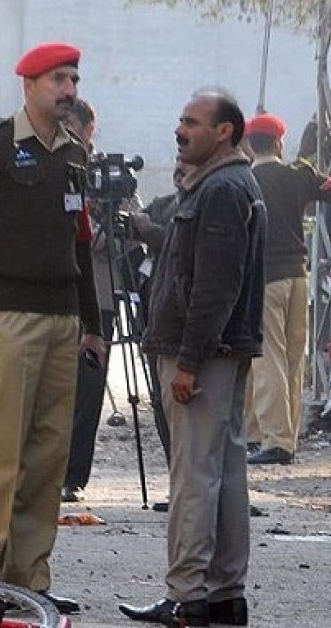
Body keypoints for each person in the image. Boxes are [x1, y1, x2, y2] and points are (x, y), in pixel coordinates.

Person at [0, 42, 105, 615]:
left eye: (74, 79)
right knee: (3, 448)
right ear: (30, 84)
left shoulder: (74, 154)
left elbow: (80, 243)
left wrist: (93, 323)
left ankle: (28, 577)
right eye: (59, 79)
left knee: (48, 456)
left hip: (63, 320)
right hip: (5, 316)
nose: (69, 89)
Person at [118, 92, 264, 627]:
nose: (181, 131)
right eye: (180, 120)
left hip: (201, 353)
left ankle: (187, 594)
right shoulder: (217, 185)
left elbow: (214, 288)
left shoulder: (223, 189)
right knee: (220, 469)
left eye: (192, 123)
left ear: (224, 132)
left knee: (194, 475)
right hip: (213, 351)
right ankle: (224, 594)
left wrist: (189, 361)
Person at [242, 112, 331, 466]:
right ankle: (287, 435)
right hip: (298, 277)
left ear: (251, 145)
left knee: (268, 360)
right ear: (280, 143)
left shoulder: (245, 181)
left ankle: (274, 441)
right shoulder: (298, 175)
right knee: (295, 359)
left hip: (264, 281)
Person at [62, 98, 130, 503]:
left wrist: (111, 220)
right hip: (55, 292)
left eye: (73, 123)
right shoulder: (51, 164)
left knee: (88, 390)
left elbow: (129, 230)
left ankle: (73, 476)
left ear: (90, 129)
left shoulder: (109, 176)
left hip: (99, 294)